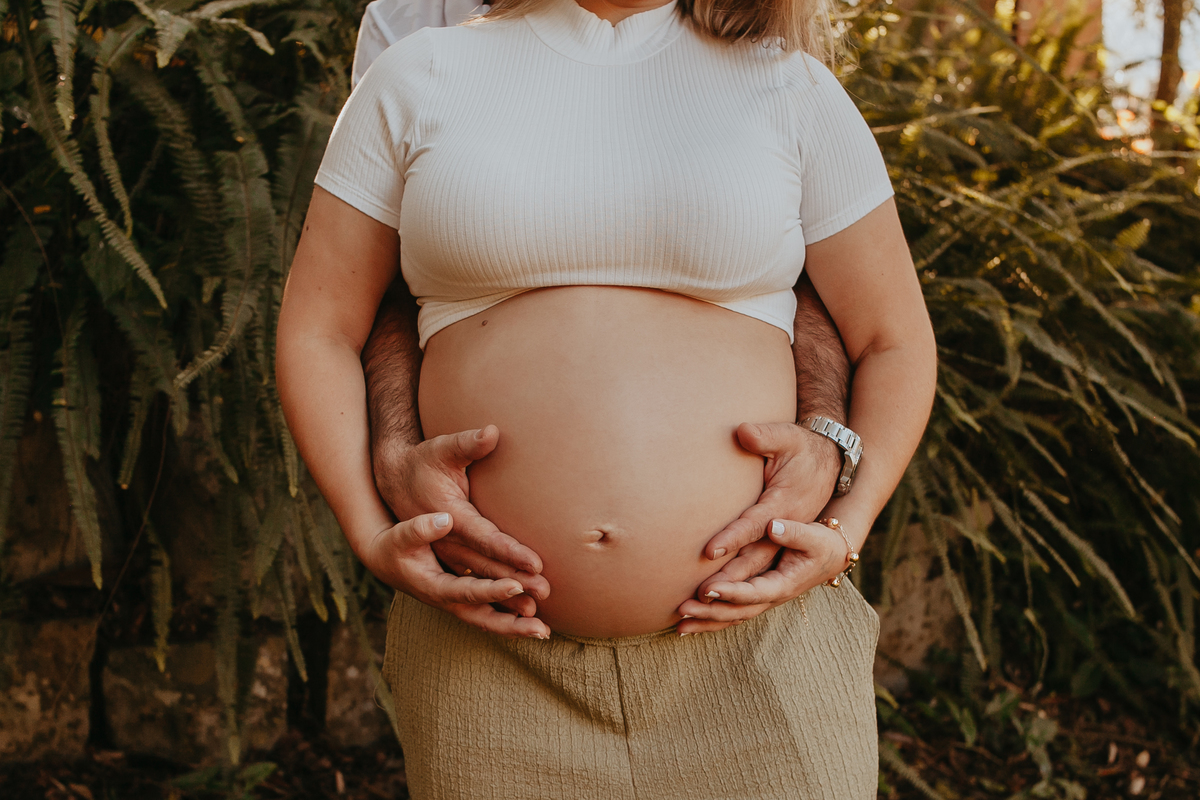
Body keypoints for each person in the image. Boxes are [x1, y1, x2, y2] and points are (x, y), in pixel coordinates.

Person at [276, 0, 937, 796]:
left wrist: (845, 525)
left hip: (762, 651)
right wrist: (369, 529)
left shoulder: (791, 87)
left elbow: (892, 339)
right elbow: (319, 327)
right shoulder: (418, 76)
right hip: (488, 652)